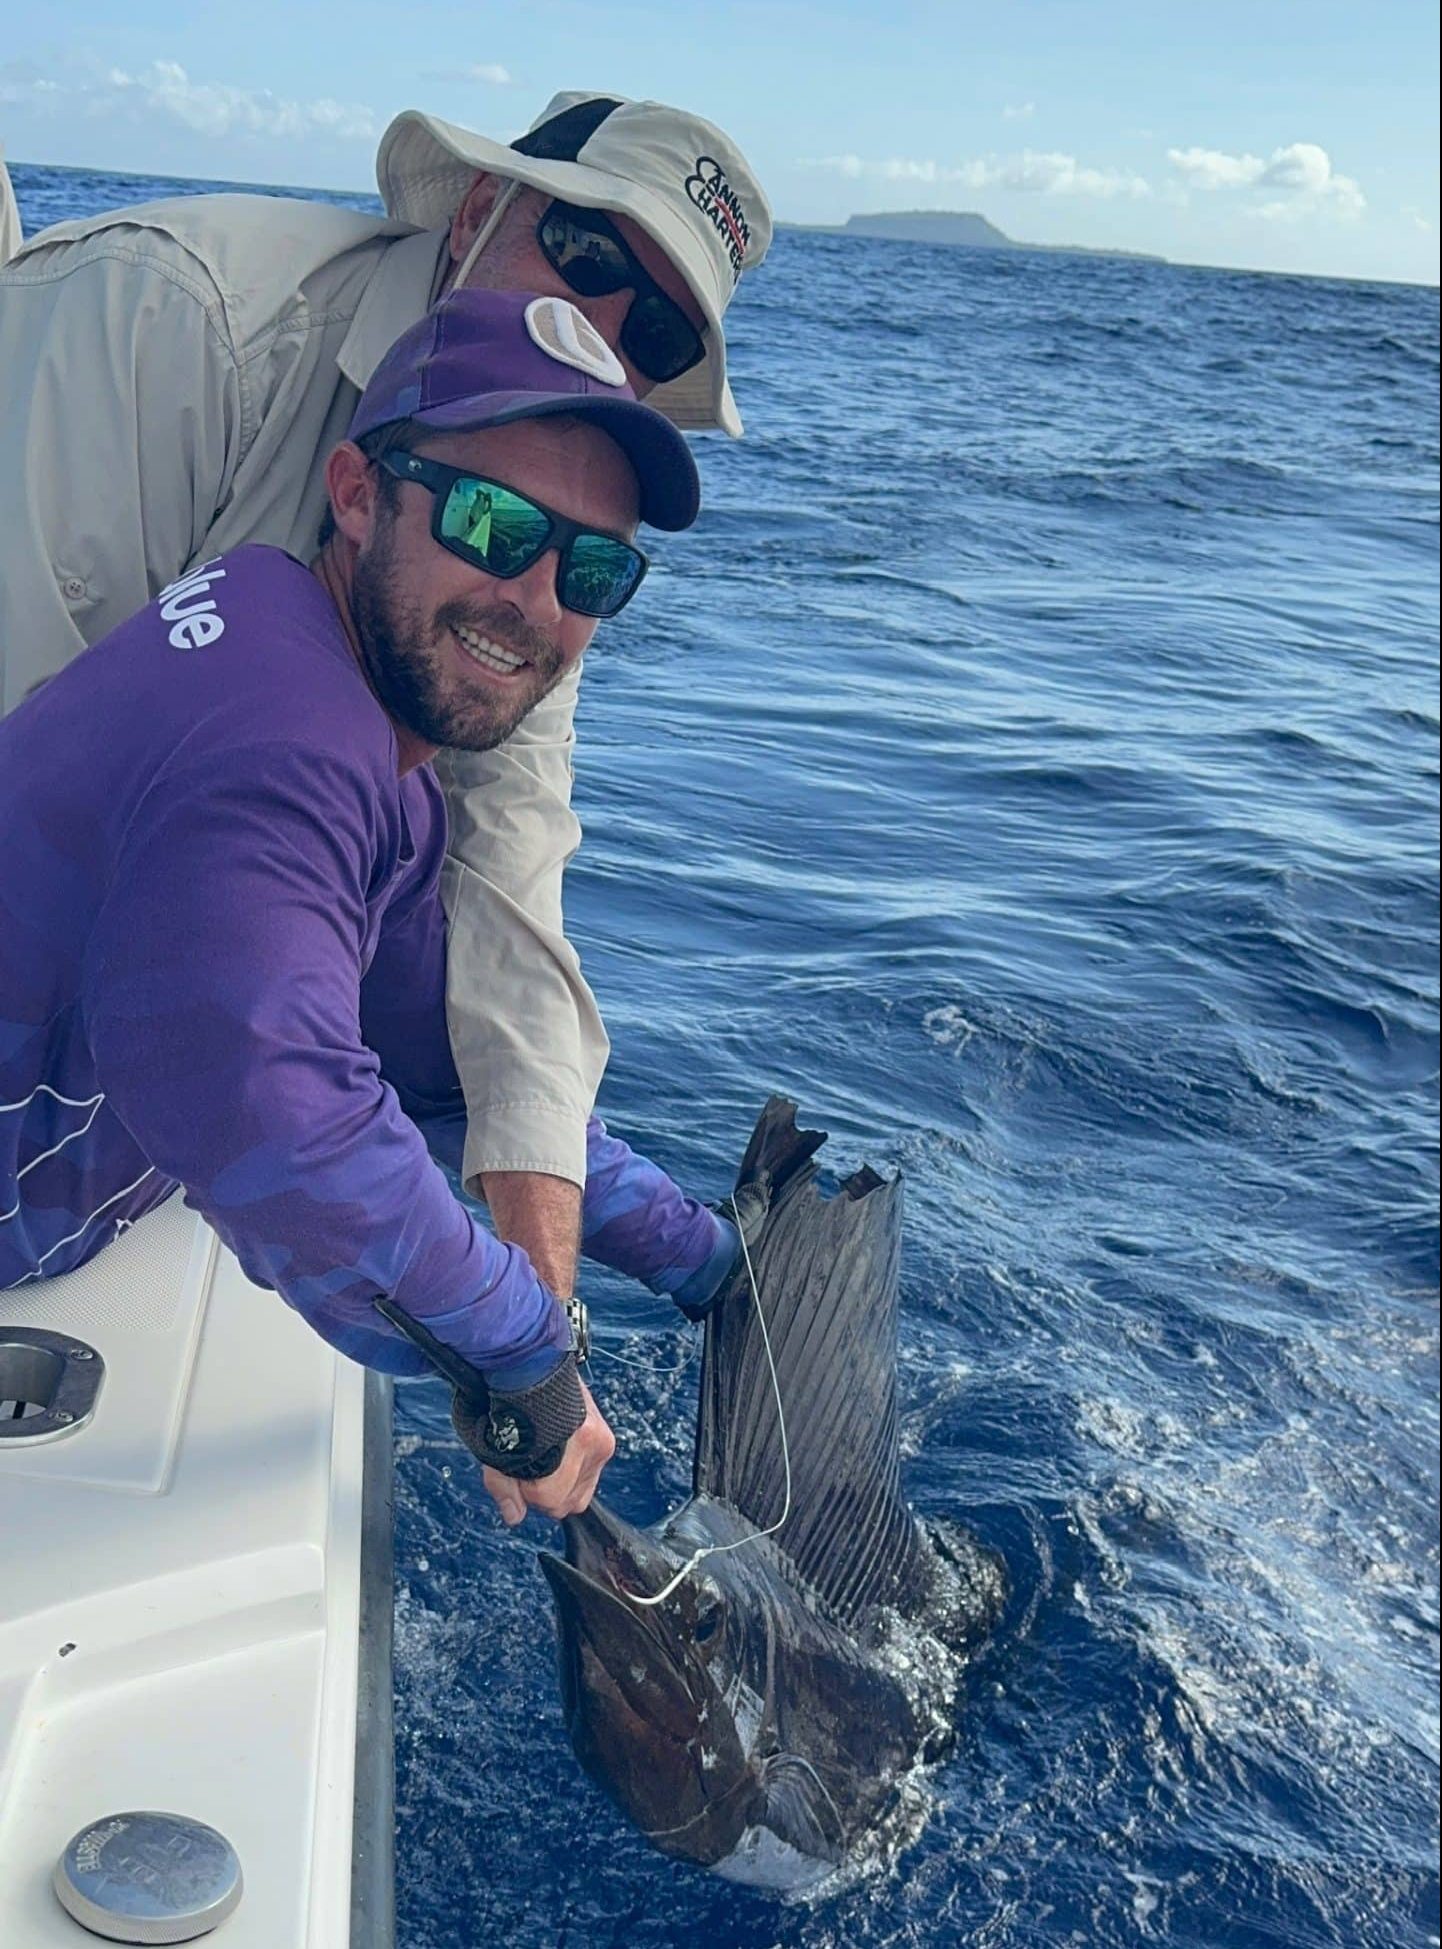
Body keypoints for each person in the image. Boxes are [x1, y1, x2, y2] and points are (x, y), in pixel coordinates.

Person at [0, 90, 772, 1331]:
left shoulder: (528, 542)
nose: (596, 326)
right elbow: (53, 816)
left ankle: (709, 1259)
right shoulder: (180, 321)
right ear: (475, 211)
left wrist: (566, 1274)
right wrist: (497, 1342)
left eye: (662, 335)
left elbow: (502, 896)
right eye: (585, 256)